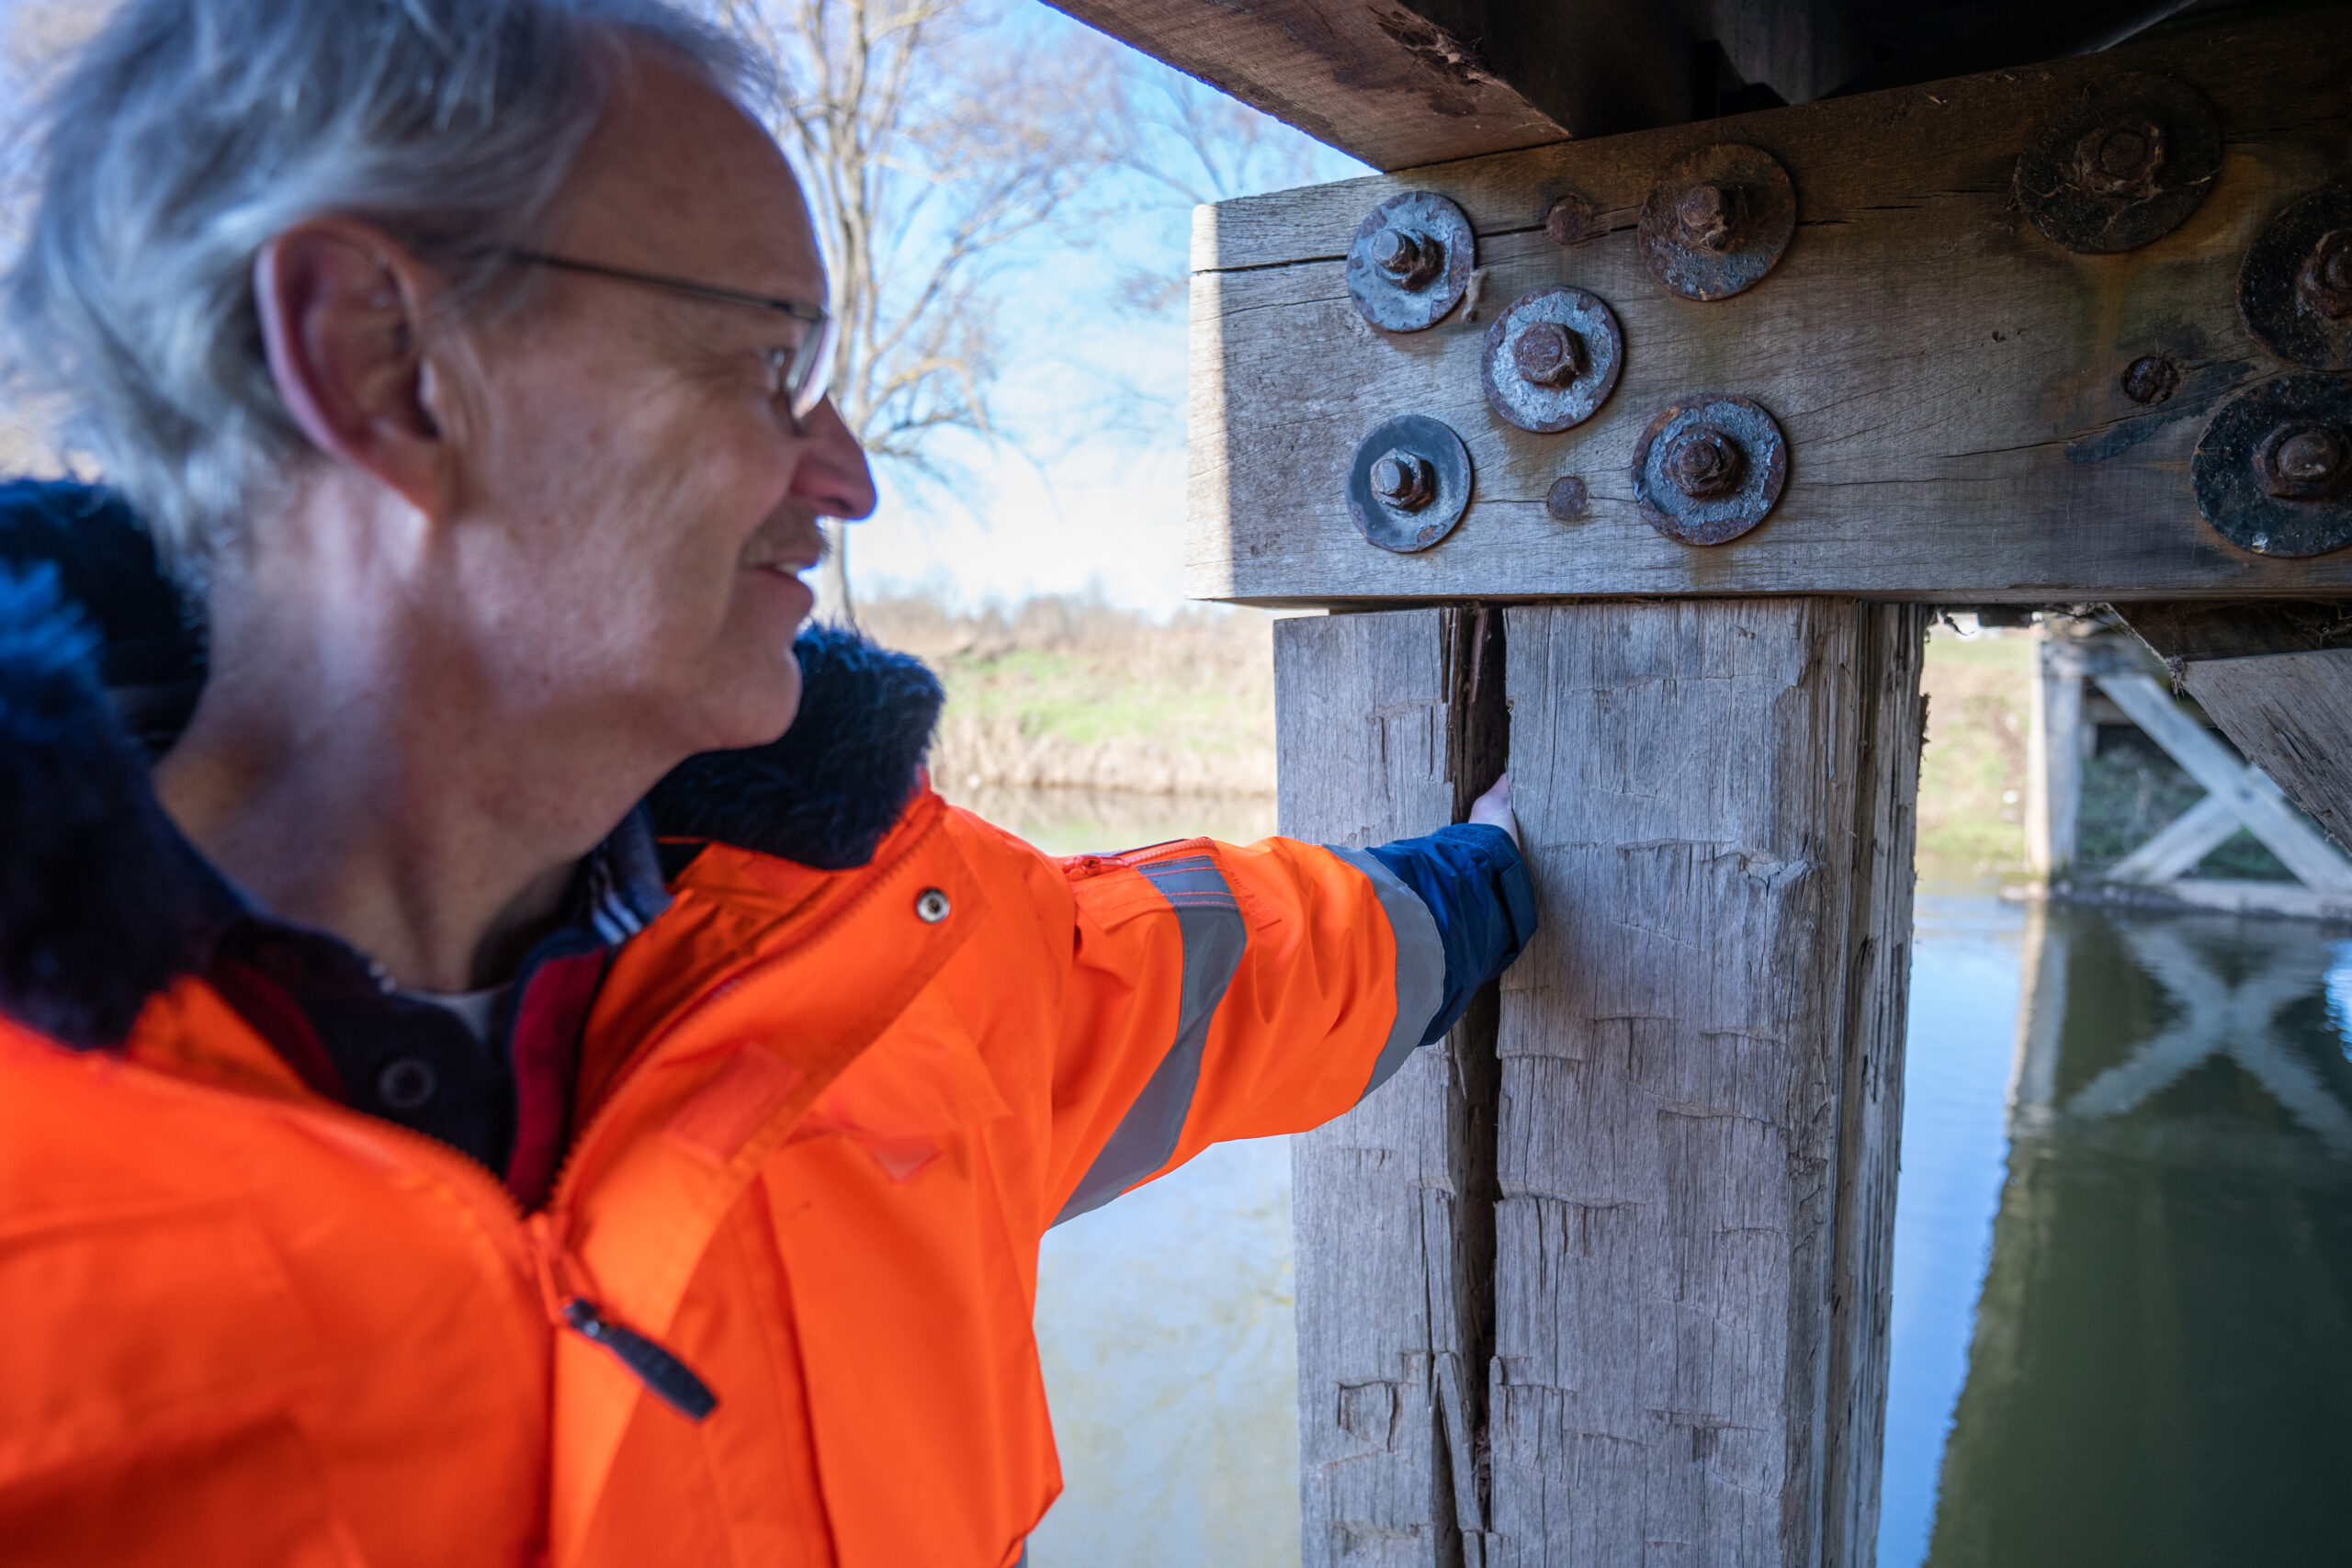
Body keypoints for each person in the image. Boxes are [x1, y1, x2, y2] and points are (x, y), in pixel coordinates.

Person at [0, 1, 1535, 1563]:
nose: (849, 477)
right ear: (380, 359)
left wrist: (1489, 878)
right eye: (769, 357)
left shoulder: (917, 952)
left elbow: (1229, 976)